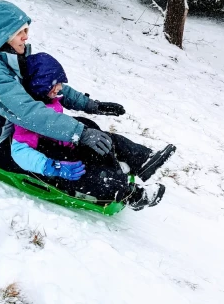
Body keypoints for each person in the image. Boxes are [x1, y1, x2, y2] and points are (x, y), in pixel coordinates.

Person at [0, 0, 127, 169]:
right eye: (20, 33)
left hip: (19, 129)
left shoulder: (12, 58)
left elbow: (47, 86)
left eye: (26, 30)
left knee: (86, 126)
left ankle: (128, 163)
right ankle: (114, 186)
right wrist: (79, 133)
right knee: (71, 156)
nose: (26, 37)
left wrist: (91, 105)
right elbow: (26, 111)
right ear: (1, 37)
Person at [10, 52, 176, 211]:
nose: (60, 87)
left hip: (70, 143)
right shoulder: (27, 117)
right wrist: (53, 167)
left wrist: (95, 107)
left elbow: (69, 98)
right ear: (40, 85)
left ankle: (143, 160)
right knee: (92, 175)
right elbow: (19, 151)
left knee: (104, 138)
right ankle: (132, 195)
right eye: (56, 84)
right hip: (62, 161)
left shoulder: (49, 97)